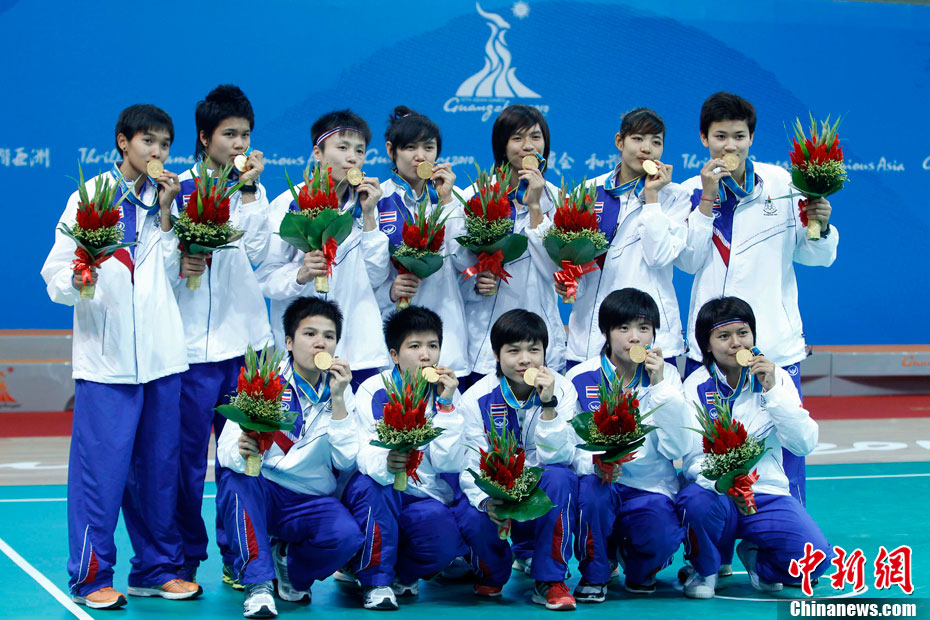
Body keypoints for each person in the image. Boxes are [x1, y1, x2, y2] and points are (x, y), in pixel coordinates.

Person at [41, 104, 200, 609]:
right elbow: (55, 273)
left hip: (162, 359)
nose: (158, 152)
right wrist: (78, 278)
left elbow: (177, 277)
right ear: (123, 142)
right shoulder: (91, 197)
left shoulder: (170, 198)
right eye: (149, 141)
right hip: (106, 363)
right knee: (101, 476)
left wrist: (170, 215)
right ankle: (91, 578)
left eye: (165, 145)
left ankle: (156, 569)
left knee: (160, 472)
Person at [678, 92, 839, 505]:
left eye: (739, 136)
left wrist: (821, 226)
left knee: (785, 447)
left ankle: (788, 533)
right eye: (720, 136)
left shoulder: (782, 184)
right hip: (710, 346)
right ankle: (713, 539)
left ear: (751, 138)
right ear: (703, 138)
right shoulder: (689, 191)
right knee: (710, 452)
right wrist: (708, 198)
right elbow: (688, 261)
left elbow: (815, 255)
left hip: (774, 343)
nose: (729, 146)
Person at [172, 83, 273, 587]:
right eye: (229, 134)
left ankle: (241, 557)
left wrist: (249, 192)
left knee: (243, 458)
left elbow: (257, 254)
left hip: (245, 348)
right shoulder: (176, 191)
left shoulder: (252, 191)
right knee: (186, 464)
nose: (239, 143)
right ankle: (183, 561)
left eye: (245, 134)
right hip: (188, 352)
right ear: (204, 137)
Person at [215, 296, 364, 618]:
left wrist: (339, 399)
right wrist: (243, 450)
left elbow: (346, 461)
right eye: (309, 334)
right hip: (263, 490)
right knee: (236, 480)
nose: (320, 343)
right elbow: (224, 451)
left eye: (329, 336)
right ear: (289, 342)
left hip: (309, 498)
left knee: (347, 537)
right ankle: (258, 586)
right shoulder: (264, 381)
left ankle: (288, 566)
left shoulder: (341, 389)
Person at [676, 296, 831, 599]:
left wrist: (773, 391)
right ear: (707, 345)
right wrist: (726, 481)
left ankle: (759, 561)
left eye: (743, 333)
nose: (736, 343)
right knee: (693, 501)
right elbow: (692, 460)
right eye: (724, 336)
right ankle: (705, 570)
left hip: (765, 494)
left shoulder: (776, 378)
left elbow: (803, 443)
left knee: (814, 561)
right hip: (716, 493)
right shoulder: (695, 385)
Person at [550, 108, 700, 369]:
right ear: (620, 141)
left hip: (650, 334)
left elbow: (658, 257)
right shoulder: (587, 192)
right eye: (638, 139)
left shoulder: (675, 197)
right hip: (591, 333)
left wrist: (652, 198)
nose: (647, 148)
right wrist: (570, 281)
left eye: (656, 142)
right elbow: (574, 259)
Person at [565, 288, 689, 602]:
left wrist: (659, 387)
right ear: (606, 332)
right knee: (591, 496)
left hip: (650, 486)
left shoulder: (668, 377)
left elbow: (677, 448)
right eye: (623, 328)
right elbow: (569, 445)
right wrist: (596, 463)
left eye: (643, 328)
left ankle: (639, 567)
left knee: (662, 538)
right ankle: (595, 572)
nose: (634, 337)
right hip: (599, 480)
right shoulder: (580, 376)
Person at [454, 309, 579, 610]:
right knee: (471, 509)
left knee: (561, 477)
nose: (525, 360)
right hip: (497, 488)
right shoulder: (475, 398)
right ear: (496, 355)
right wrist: (486, 501)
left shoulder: (563, 389)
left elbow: (561, 457)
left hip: (540, 489)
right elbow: (470, 463)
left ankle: (550, 579)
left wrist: (548, 405)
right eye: (513, 351)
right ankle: (493, 572)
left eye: (534, 350)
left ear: (545, 352)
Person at [342, 306, 465, 610]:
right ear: (394, 355)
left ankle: (400, 574)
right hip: (380, 488)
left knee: (445, 540)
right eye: (415, 346)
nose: (426, 355)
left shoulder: (447, 392)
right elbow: (361, 451)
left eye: (433, 346)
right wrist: (385, 463)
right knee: (374, 487)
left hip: (423, 495)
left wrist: (446, 405)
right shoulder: (373, 389)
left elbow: (449, 462)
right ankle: (375, 582)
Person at [257, 109, 388, 390]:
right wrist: (300, 275)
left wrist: (369, 216)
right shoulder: (289, 204)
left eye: (360, 151)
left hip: (358, 351)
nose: (352, 158)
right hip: (302, 356)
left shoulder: (369, 205)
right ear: (318, 152)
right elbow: (266, 279)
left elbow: (376, 276)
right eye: (342, 148)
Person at [461, 105, 566, 381]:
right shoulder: (474, 197)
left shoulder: (559, 200)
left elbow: (555, 271)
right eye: (517, 138)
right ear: (502, 146)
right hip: (485, 337)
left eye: (536, 137)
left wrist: (535, 206)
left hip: (539, 335)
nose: (528, 146)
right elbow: (456, 264)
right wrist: (475, 282)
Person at [371, 106, 470, 376]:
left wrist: (447, 201)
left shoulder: (455, 198)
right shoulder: (377, 200)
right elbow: (364, 276)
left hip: (447, 328)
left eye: (428, 147)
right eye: (410, 147)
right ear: (391, 150)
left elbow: (464, 261)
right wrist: (390, 291)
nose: (420, 156)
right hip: (395, 329)